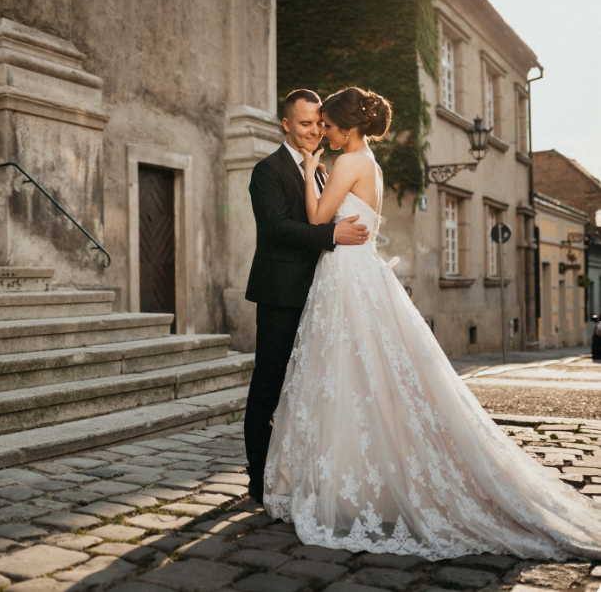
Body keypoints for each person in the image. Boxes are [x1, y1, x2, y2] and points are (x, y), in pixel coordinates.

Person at [262, 86, 601, 560]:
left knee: (348, 377)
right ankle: (364, 481)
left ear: (349, 127)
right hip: (361, 274)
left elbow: (319, 216)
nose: (326, 134)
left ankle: (349, 485)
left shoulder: (344, 163)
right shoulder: (373, 165)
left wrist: (312, 171)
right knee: (370, 379)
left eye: (332, 127)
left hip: (345, 278)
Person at [243, 89, 371, 505]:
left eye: (319, 123)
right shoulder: (267, 170)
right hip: (281, 294)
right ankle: (258, 480)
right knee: (269, 385)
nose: (315, 130)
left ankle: (298, 474)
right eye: (304, 123)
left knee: (309, 389)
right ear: (286, 125)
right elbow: (277, 227)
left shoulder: (321, 169)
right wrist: (332, 234)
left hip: (321, 297)